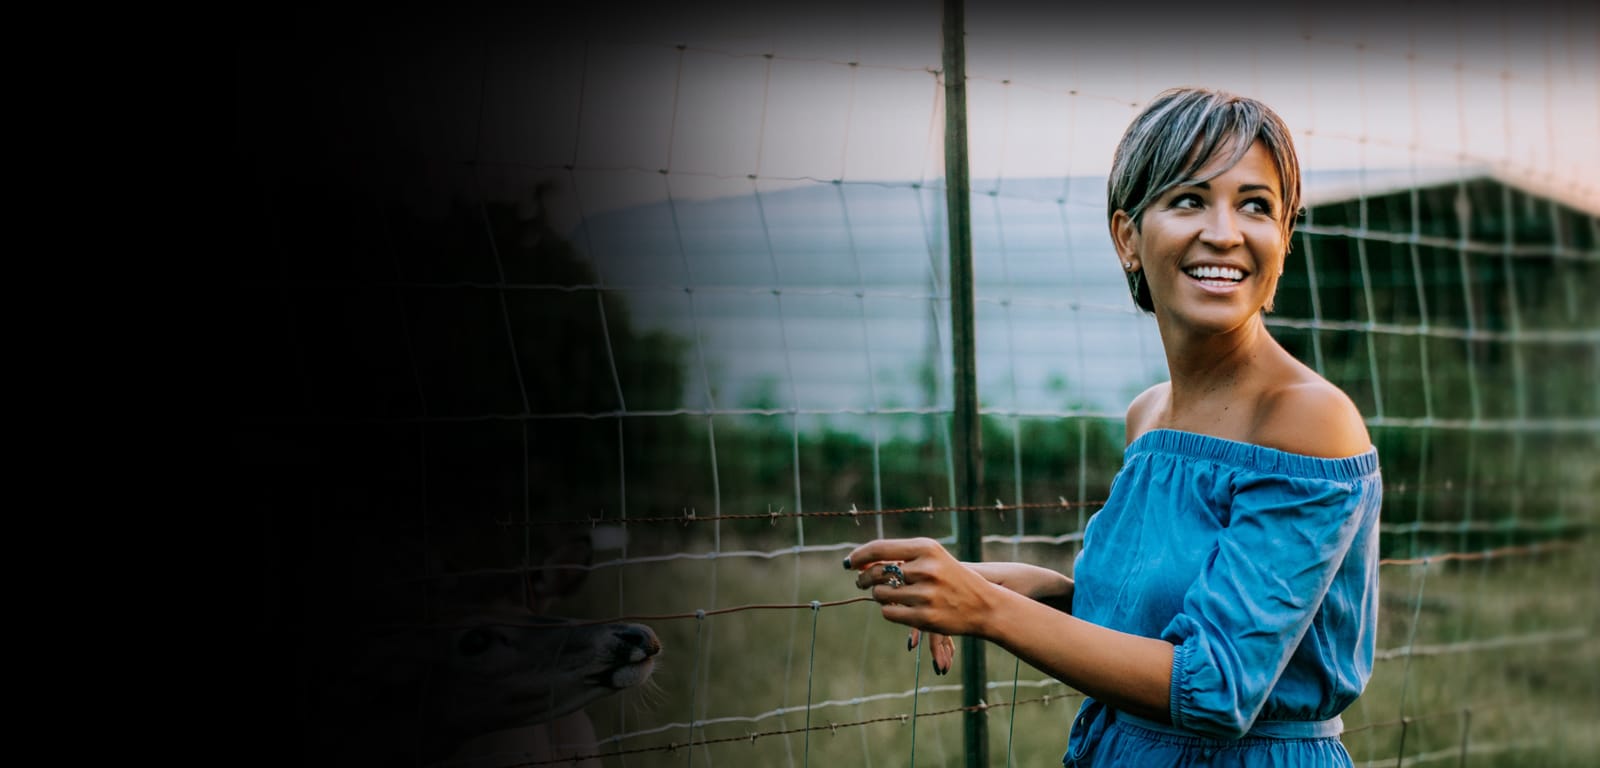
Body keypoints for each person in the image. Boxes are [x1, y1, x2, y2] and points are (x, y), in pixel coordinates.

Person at [846, 86, 1382, 766]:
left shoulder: (1308, 419)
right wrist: (1028, 588)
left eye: (1256, 205)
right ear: (1127, 237)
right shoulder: (1150, 415)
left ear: (1282, 241)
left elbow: (1215, 685)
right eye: (1189, 199)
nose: (1224, 231)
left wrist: (990, 613)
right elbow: (1161, 630)